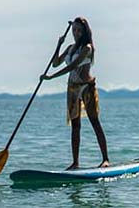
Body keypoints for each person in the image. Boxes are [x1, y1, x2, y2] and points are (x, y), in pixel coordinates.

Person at [40, 17, 110, 170]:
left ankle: (105, 159)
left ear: (85, 31)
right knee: (75, 126)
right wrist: (58, 46)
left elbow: (73, 66)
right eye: (74, 30)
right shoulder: (71, 48)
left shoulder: (88, 48)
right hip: (72, 89)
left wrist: (51, 77)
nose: (76, 33)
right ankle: (75, 162)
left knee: (94, 122)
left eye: (79, 30)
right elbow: (55, 63)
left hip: (86, 87)